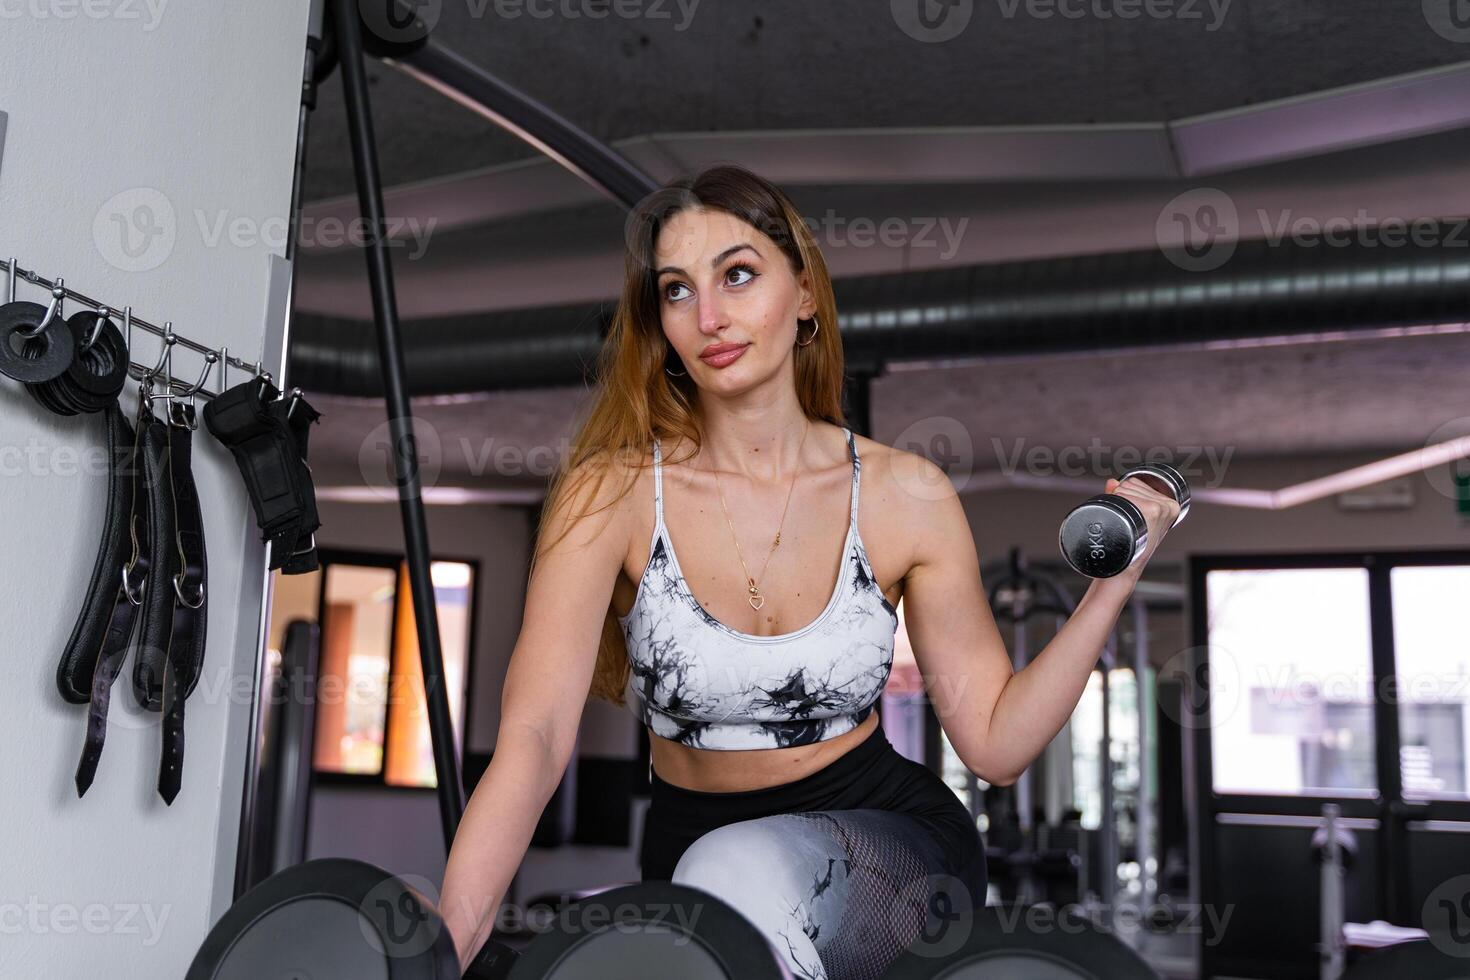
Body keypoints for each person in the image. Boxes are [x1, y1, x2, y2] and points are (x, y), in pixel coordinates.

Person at [439, 164, 1181, 979]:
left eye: (739, 275)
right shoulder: (611, 494)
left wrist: (1113, 580)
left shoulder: (905, 495)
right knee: (702, 891)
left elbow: (997, 745)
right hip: (693, 856)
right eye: (677, 291)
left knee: (732, 878)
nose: (709, 316)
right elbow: (535, 740)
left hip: (887, 847)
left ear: (803, 293)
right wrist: (444, 947)